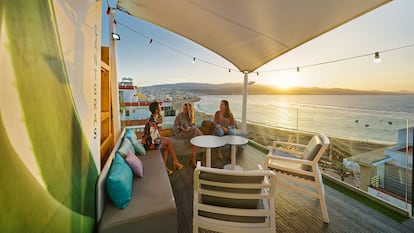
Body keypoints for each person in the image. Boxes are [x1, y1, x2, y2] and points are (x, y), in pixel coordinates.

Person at [143, 102, 183, 175]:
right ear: (156, 110)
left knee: (168, 145)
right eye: (159, 107)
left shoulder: (153, 119)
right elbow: (153, 138)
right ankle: (175, 161)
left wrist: (163, 138)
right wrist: (164, 139)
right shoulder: (152, 122)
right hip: (150, 145)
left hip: (151, 142)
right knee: (168, 142)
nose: (160, 108)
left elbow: (155, 135)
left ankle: (165, 166)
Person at [173, 102, 203, 167]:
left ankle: (193, 159)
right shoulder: (179, 116)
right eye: (183, 108)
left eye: (186, 108)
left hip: (189, 132)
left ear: (188, 110)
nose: (184, 109)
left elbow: (192, 125)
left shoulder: (190, 116)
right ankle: (202, 139)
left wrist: (188, 128)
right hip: (180, 133)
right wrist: (182, 128)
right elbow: (175, 127)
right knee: (195, 131)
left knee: (195, 139)